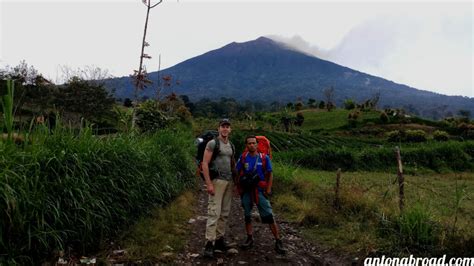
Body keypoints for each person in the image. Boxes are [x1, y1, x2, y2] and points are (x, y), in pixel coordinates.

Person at [236, 135, 286, 255]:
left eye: (254, 143)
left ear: (257, 145)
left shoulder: (264, 158)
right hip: (247, 190)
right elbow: (237, 172)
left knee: (269, 215)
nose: (252, 145)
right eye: (249, 143)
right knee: (247, 215)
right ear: (246, 146)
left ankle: (278, 240)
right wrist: (237, 187)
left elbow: (270, 173)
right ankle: (249, 238)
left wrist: (268, 188)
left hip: (260, 190)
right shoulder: (243, 158)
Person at [201, 118, 236, 258]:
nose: (225, 129)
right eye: (223, 126)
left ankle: (220, 239)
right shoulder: (213, 143)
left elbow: (232, 163)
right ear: (219, 128)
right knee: (214, 211)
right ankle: (209, 243)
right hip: (217, 180)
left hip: (229, 181)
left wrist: (236, 182)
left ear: (230, 129)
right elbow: (205, 163)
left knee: (225, 212)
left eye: (227, 126)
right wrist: (209, 183)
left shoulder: (231, 145)